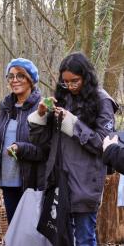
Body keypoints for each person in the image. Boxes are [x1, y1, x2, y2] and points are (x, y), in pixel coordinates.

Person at [28, 52, 118, 246]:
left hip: (86, 181)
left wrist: (73, 123)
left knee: (85, 238)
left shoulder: (103, 101)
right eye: (65, 82)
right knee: (60, 238)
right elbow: (42, 141)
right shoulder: (63, 97)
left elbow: (105, 145)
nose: (70, 86)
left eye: (75, 81)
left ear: (86, 76)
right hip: (59, 180)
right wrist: (41, 115)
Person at [0, 58, 49, 224]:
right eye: (11, 76)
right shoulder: (6, 107)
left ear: (30, 79)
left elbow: (45, 150)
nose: (14, 80)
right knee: (14, 229)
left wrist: (20, 148)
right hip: (8, 179)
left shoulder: (41, 108)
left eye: (20, 76)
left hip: (31, 180)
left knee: (30, 231)